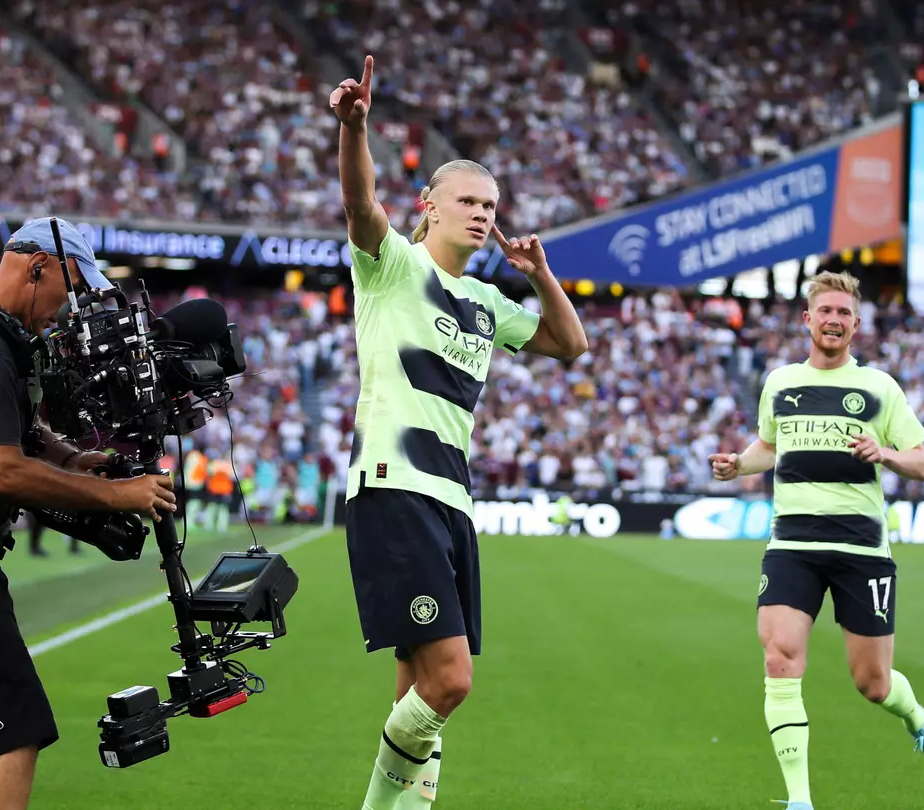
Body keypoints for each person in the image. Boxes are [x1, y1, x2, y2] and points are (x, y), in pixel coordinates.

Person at [329, 56, 589, 810]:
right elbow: (359, 205)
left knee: (419, 689)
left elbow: (569, 345)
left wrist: (539, 274)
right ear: (429, 205)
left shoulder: (485, 301)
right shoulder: (393, 267)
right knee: (451, 682)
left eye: (491, 204)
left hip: (452, 502)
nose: (481, 213)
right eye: (467, 200)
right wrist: (356, 130)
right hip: (394, 489)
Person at [0, 217, 177, 810]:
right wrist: (120, 495)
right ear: (38, 267)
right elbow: (3, 470)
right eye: (67, 292)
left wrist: (76, 459)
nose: (65, 311)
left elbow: (24, 435)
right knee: (13, 726)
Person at [707, 271, 924, 810]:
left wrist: (885, 453)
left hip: (862, 550)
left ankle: (916, 716)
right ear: (808, 319)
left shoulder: (880, 388)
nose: (834, 320)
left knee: (873, 682)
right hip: (792, 544)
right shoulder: (780, 382)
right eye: (826, 311)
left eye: (844, 313)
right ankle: (800, 800)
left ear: (856, 324)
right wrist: (738, 463)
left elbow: (921, 463)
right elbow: (771, 446)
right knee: (780, 658)